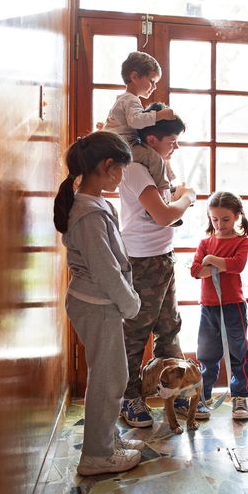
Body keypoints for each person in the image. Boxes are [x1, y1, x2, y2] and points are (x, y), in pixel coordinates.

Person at [53, 131, 144, 476]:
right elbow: (105, 269)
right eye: (120, 170)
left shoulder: (94, 204)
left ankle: (106, 440)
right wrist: (131, 303)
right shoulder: (88, 213)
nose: (121, 177)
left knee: (112, 375)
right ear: (107, 167)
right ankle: (97, 455)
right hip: (97, 302)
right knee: (108, 379)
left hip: (99, 302)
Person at [118, 112, 202, 427]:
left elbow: (168, 206)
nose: (176, 147)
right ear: (151, 140)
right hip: (142, 262)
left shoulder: (157, 166)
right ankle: (129, 398)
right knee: (136, 332)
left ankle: (177, 391)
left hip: (162, 257)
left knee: (169, 327)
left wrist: (177, 197)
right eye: (172, 141)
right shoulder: (137, 169)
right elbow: (164, 215)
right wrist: (189, 198)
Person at [190, 191, 248, 420]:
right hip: (208, 307)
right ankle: (203, 398)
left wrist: (211, 261)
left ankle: (240, 398)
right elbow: (196, 271)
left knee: (238, 352)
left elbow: (238, 265)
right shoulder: (205, 242)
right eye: (214, 219)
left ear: (237, 216)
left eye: (225, 219)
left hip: (233, 306)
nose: (220, 224)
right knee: (206, 354)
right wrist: (214, 265)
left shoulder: (241, 241)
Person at [103, 50, 175, 194]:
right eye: (152, 81)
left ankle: (168, 183)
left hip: (121, 143)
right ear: (135, 77)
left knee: (158, 158)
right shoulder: (131, 99)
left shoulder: (124, 99)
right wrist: (160, 115)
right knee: (155, 159)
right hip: (124, 146)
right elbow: (135, 121)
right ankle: (163, 193)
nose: (154, 87)